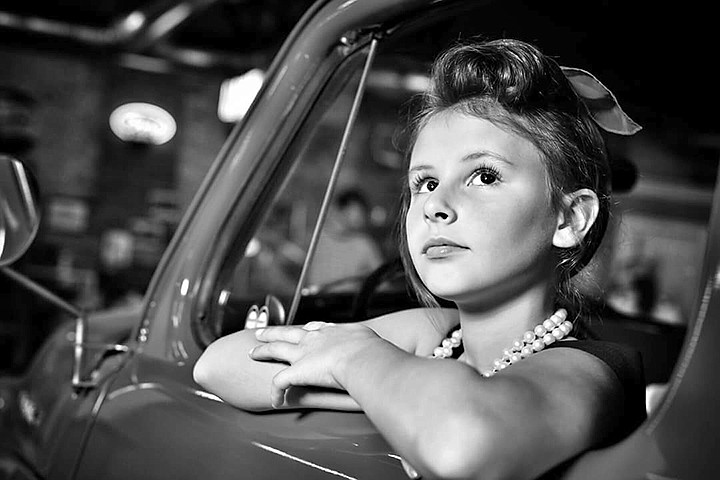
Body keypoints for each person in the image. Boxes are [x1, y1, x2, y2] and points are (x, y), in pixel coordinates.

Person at [194, 38, 647, 480]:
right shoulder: (432, 334)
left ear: (569, 218)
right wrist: (386, 387)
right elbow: (219, 364)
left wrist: (355, 361)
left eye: (484, 175)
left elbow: (462, 445)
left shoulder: (596, 370)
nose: (434, 205)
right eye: (425, 183)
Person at [305, 188, 384, 292]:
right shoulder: (315, 239)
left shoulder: (363, 244)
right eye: (358, 211)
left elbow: (383, 282)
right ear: (339, 209)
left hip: (347, 304)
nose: (361, 216)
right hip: (314, 301)